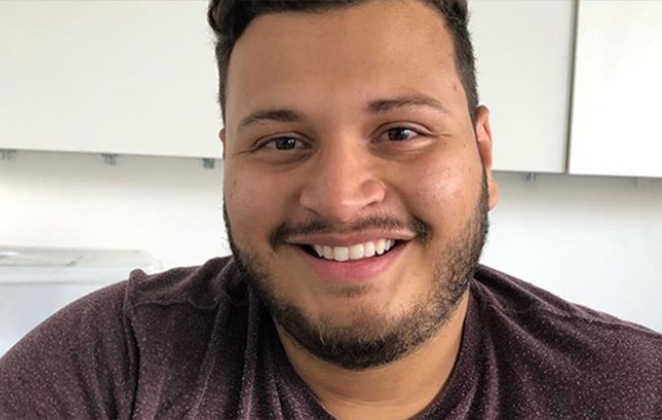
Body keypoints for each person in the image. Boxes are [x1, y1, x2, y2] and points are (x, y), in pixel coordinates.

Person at [1, 0, 661, 418]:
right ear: (229, 160)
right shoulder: (116, 363)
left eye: (400, 132)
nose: (342, 199)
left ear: (483, 156)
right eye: (283, 142)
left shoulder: (632, 391)